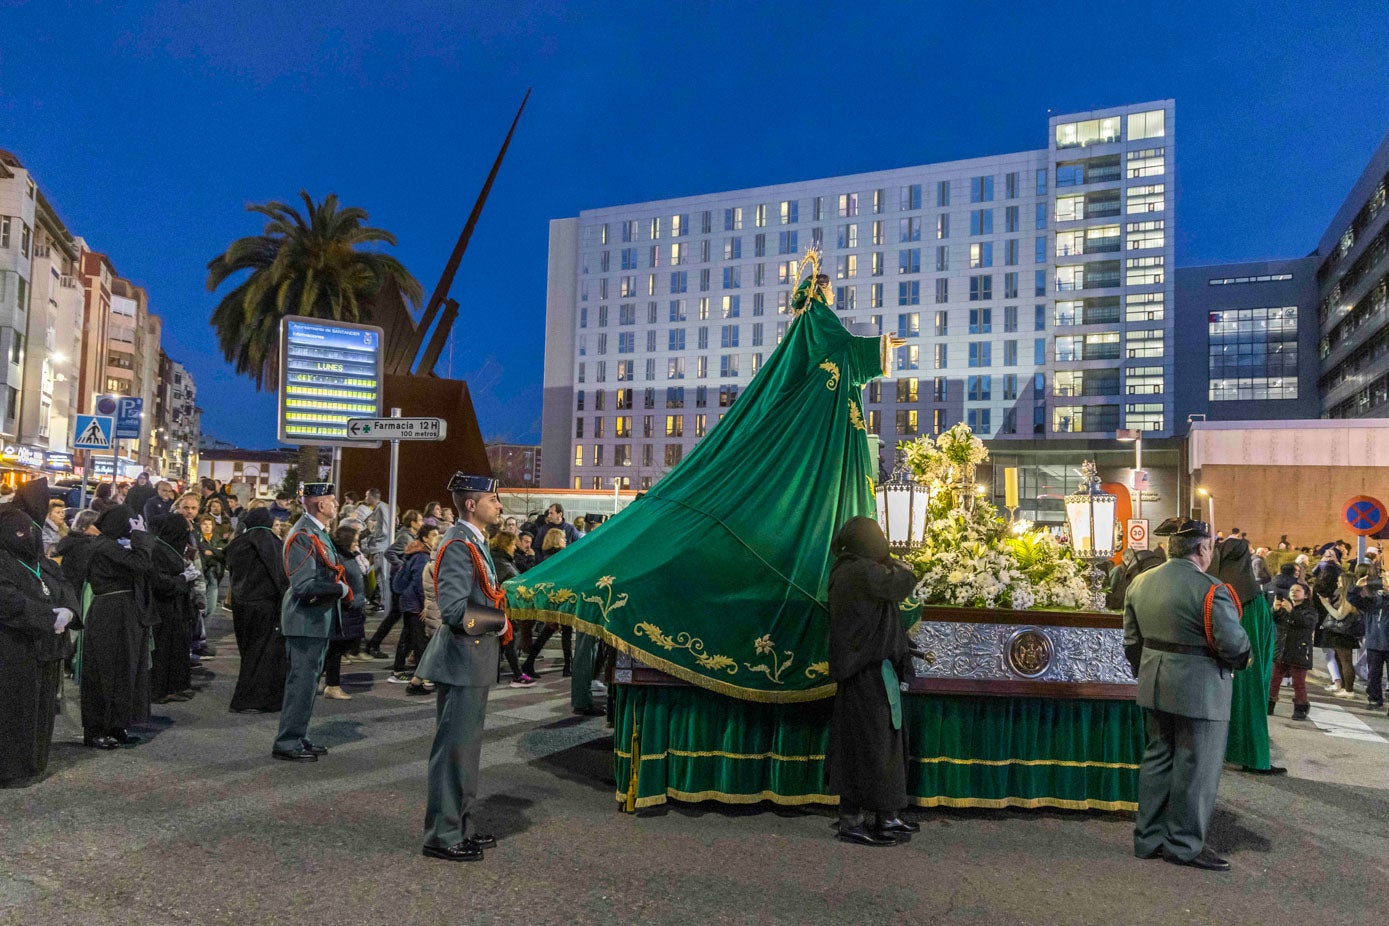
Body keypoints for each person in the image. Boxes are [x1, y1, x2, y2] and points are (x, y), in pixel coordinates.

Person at [1124, 517, 1251, 872]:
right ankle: (1183, 844)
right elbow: (1235, 645)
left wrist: (1147, 671)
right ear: (1203, 548)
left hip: (1153, 682)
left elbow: (1131, 642)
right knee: (1196, 769)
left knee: (1157, 761)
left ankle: (1148, 839)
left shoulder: (1140, 583)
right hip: (1201, 689)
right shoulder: (1212, 588)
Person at [418, 473, 508, 862]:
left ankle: (459, 824)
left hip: (472, 661)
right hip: (461, 660)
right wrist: (499, 622)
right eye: (493, 498)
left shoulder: (473, 541)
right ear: (471, 504)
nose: (500, 505)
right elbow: (454, 610)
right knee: (455, 752)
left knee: (466, 751)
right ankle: (442, 834)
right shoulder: (458, 544)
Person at [826, 516, 920, 847]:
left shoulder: (849, 569)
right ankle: (853, 821)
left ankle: (886, 816)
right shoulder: (860, 571)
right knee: (869, 747)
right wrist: (892, 560)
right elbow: (905, 580)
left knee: (882, 745)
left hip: (873, 672)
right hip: (865, 673)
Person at [0, 501, 78, 787]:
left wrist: (68, 611)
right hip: (13, 648)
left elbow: (64, 585)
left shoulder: (40, 561)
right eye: (18, 533)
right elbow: (8, 600)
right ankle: (9, 768)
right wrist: (47, 617)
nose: (27, 537)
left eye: (29, 532)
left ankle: (34, 760)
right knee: (13, 708)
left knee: (42, 707)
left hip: (46, 647)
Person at [271, 484, 350, 762]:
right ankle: (287, 741)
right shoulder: (304, 535)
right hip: (305, 620)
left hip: (315, 620)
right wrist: (340, 589)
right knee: (301, 684)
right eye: (332, 500)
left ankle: (298, 735)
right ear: (319, 505)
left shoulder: (315, 531)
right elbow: (304, 584)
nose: (337, 503)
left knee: (308, 684)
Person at [78, 506, 156, 750]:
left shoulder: (108, 545)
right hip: (112, 613)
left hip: (122, 611)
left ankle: (116, 724)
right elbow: (141, 563)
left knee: (124, 671)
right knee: (106, 672)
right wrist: (141, 536)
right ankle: (97, 729)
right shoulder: (104, 546)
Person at [1208, 535, 1283, 775]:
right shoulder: (1251, 596)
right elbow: (1258, 642)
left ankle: (1225, 753)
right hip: (1246, 664)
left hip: (1215, 666)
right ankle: (1252, 756)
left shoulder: (1214, 588)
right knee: (1249, 703)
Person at [226, 508, 289, 714]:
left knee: (248, 651)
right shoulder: (270, 541)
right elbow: (280, 574)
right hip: (265, 605)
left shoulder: (238, 542)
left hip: (241, 604)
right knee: (265, 653)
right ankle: (255, 699)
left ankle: (247, 698)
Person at [143, 514, 199, 705]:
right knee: (163, 650)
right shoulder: (157, 550)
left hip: (176, 608)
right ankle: (159, 690)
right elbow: (159, 582)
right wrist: (184, 578)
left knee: (175, 648)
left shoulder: (168, 548)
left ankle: (174, 687)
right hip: (163, 609)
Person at [389, 523, 440, 690]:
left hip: (407, 600)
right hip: (415, 603)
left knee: (408, 636)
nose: (436, 539)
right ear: (425, 538)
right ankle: (422, 676)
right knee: (419, 640)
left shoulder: (414, 553)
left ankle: (397, 671)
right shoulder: (423, 557)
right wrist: (426, 605)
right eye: (433, 536)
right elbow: (420, 584)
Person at [366, 509, 422, 660]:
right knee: (398, 616)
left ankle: (375, 644)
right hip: (400, 581)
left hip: (401, 581)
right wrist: (404, 565)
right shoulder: (405, 537)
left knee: (396, 616)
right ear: (413, 523)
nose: (422, 523)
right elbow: (389, 553)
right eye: (420, 520)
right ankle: (375, 645)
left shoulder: (410, 536)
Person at [323, 524, 367, 701]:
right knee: (335, 649)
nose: (357, 544)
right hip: (345, 610)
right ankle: (332, 685)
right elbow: (338, 584)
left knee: (338, 648)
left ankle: (327, 681)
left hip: (351, 608)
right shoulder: (340, 558)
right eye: (355, 540)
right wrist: (350, 601)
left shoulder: (349, 556)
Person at [489, 531, 534, 688]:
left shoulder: (501, 559)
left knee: (507, 641)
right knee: (509, 640)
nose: (515, 547)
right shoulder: (501, 562)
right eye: (513, 544)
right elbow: (511, 582)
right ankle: (517, 675)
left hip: (502, 608)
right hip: (502, 608)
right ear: (506, 544)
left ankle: (515, 674)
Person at [1269, 582, 1317, 721]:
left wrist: (1292, 611)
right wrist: (1275, 610)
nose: (1293, 592)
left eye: (1298, 590)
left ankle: (1301, 707)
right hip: (1282, 648)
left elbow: (1307, 624)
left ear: (1306, 594)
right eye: (1291, 590)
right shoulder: (1286, 606)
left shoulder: (1310, 610)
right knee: (1274, 678)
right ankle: (1269, 703)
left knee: (1298, 681)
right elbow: (1277, 622)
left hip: (1300, 649)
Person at [1349, 574, 1389, 711]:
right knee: (1373, 674)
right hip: (1374, 643)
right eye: (1383, 580)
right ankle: (1374, 699)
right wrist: (1358, 586)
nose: (1384, 583)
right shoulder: (1373, 601)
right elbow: (1353, 599)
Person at [361, 488, 391, 613]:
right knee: (380, 575)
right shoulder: (379, 508)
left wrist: (374, 537)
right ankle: (383, 602)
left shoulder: (381, 507)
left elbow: (384, 529)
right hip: (379, 546)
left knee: (382, 576)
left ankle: (384, 602)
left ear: (372, 496)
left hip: (380, 546)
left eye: (367, 495)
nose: (365, 497)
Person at [196, 515, 227, 617]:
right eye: (204, 524)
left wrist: (211, 551)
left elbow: (224, 554)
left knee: (211, 607)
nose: (207, 526)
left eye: (209, 524)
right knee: (200, 604)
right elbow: (201, 552)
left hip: (215, 573)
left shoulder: (218, 539)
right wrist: (216, 551)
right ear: (200, 525)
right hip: (201, 573)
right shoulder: (196, 539)